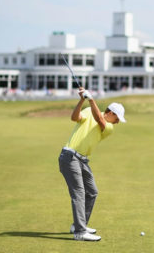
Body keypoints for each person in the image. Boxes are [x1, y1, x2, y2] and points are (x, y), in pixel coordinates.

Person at [58, 87, 126, 242]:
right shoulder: (89, 110)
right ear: (111, 113)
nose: (117, 122)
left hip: (82, 160)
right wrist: (82, 100)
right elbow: (74, 118)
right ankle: (80, 232)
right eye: (117, 119)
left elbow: (99, 119)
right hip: (69, 157)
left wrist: (91, 99)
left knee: (92, 191)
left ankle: (78, 225)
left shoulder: (108, 127)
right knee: (79, 193)